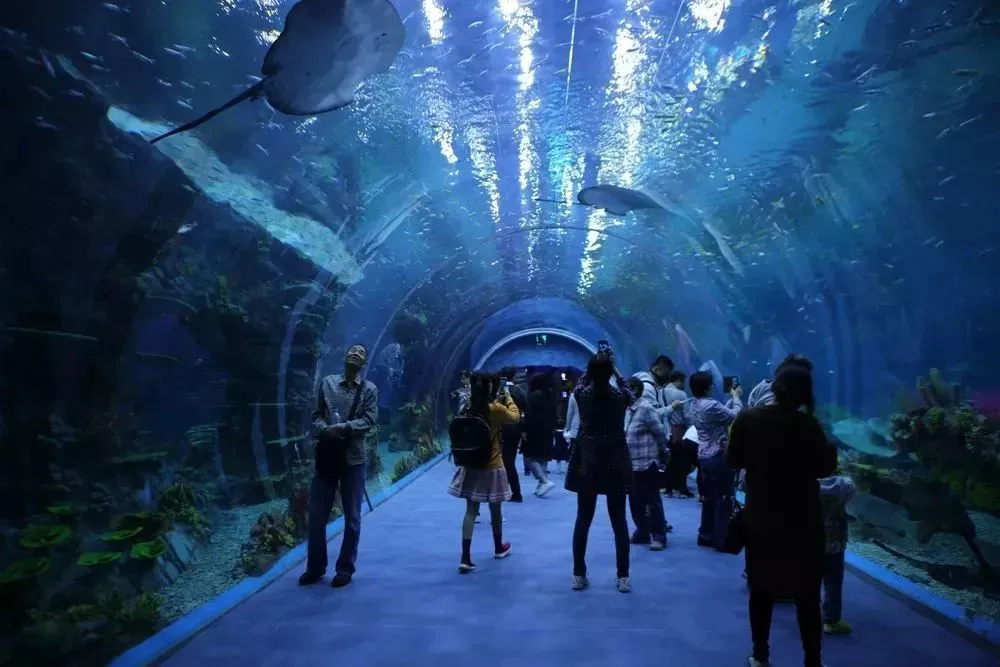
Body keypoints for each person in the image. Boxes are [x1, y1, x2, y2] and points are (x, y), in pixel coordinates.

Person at [726, 365, 838, 667]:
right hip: (804, 519)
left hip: (762, 517)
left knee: (761, 590)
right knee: (807, 595)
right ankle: (813, 661)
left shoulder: (748, 419)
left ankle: (760, 655)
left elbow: (733, 459)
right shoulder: (808, 425)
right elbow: (824, 468)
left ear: (775, 387)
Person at [300, 344, 378, 588]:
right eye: (353, 350)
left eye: (361, 353)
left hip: (354, 459)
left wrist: (345, 427)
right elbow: (316, 415)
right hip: (327, 457)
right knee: (317, 517)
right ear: (345, 356)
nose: (356, 353)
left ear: (364, 363)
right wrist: (325, 430)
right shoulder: (327, 383)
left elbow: (370, 419)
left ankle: (345, 569)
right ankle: (315, 567)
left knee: (352, 518)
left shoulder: (369, 389)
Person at [565, 352, 634, 593]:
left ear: (590, 372)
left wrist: (592, 369)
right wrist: (615, 369)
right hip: (616, 459)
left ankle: (578, 574)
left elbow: (580, 384)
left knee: (583, 519)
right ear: (610, 372)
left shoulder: (582, 395)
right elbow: (630, 392)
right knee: (619, 521)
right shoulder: (619, 397)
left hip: (588, 460)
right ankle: (623, 576)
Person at [448, 371, 517, 573]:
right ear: (492, 387)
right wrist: (508, 397)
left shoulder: (467, 407)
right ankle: (498, 547)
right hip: (492, 465)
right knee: (496, 510)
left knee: (471, 510)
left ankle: (465, 557)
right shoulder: (494, 408)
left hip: (471, 464)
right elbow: (514, 418)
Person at [688, 370, 743, 550]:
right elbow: (736, 416)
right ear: (707, 388)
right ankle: (721, 540)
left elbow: (721, 414)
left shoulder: (694, 404)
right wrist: (736, 397)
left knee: (709, 498)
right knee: (723, 498)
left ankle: (706, 535)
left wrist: (730, 401)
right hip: (718, 456)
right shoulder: (710, 405)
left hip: (704, 455)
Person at [624, 377, 670, 550]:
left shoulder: (645, 408)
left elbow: (660, 433)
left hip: (647, 462)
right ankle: (642, 532)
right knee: (635, 501)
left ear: (635, 389)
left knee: (652, 500)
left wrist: (663, 454)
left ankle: (659, 536)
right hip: (632, 464)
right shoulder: (628, 409)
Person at [820, 468, 856, 636]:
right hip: (833, 542)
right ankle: (831, 621)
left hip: (808, 540)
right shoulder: (845, 485)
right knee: (833, 580)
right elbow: (852, 490)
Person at [522, 373, 557, 497]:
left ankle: (544, 481)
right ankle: (542, 484)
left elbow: (527, 415)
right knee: (543, 457)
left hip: (533, 430)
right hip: (547, 431)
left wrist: (524, 429)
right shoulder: (550, 397)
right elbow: (554, 416)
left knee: (529, 458)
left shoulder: (530, 397)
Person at [660, 370, 693, 497]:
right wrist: (691, 427)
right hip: (679, 431)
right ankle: (682, 489)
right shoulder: (681, 394)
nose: (683, 385)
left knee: (670, 461)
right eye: (683, 382)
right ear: (679, 380)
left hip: (666, 431)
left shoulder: (661, 391)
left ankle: (668, 489)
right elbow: (687, 415)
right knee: (682, 461)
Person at [498, 367, 528, 503]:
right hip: (515, 430)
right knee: (510, 460)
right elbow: (526, 410)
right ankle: (513, 491)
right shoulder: (519, 391)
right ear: (513, 377)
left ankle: (511, 492)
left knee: (503, 462)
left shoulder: (498, 392)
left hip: (499, 430)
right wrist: (524, 429)